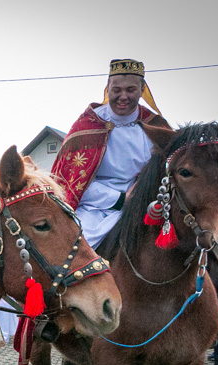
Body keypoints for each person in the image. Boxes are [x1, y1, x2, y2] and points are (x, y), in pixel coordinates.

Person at [51, 58, 170, 249]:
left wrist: (139, 195)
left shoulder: (156, 127)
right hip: (91, 210)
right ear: (108, 89)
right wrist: (121, 199)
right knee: (70, 250)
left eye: (130, 90)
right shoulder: (86, 128)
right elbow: (68, 185)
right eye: (117, 90)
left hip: (143, 206)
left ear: (142, 90)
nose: (123, 96)